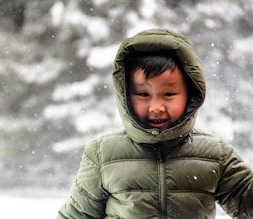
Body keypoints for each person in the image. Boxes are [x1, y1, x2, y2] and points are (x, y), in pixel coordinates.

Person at [56, 28, 253, 218]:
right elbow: (76, 215)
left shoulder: (214, 154)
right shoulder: (103, 154)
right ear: (126, 96)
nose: (156, 106)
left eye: (169, 94)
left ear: (190, 94)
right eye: (143, 94)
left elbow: (248, 203)